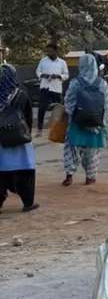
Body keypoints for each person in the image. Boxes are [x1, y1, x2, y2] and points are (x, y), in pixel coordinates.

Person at [62, 53, 108, 186]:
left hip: (77, 123)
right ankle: (90, 177)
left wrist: (74, 115)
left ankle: (69, 175)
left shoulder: (75, 83)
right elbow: (106, 107)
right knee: (93, 151)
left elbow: (68, 102)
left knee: (71, 149)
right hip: (96, 124)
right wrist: (105, 126)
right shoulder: (103, 84)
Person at [0, 63, 39, 213]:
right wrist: (26, 134)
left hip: (1, 143)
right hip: (19, 142)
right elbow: (28, 117)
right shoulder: (21, 95)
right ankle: (28, 203)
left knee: (1, 174)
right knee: (25, 172)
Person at [36, 42, 69, 134]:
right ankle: (39, 129)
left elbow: (66, 75)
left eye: (50, 51)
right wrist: (42, 75)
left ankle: (59, 130)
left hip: (56, 88)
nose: (48, 53)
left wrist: (58, 76)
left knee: (59, 109)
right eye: (47, 51)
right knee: (42, 108)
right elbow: (38, 71)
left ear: (56, 51)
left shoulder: (62, 63)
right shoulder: (43, 61)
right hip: (45, 87)